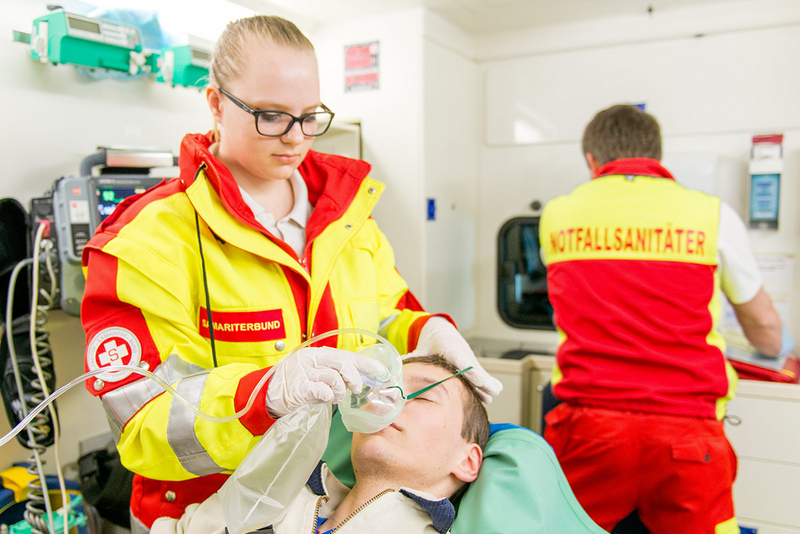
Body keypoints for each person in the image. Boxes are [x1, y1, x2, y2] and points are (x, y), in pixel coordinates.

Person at [79, 15, 502, 533]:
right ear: (216, 103)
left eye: (310, 115)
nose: (297, 138)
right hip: (206, 514)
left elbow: (384, 313)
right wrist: (265, 396)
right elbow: (142, 425)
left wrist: (427, 330)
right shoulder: (146, 241)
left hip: (330, 504)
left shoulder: (347, 216)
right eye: (272, 116)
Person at [538, 104, 795, 534]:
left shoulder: (558, 214)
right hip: (687, 432)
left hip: (589, 428)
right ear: (657, 156)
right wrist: (777, 349)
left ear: (591, 160)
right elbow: (764, 326)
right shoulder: (711, 215)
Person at [150, 355, 490, 534]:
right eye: (380, 388)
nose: (389, 401)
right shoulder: (268, 495)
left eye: (425, 396)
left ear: (468, 461)